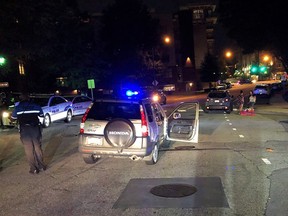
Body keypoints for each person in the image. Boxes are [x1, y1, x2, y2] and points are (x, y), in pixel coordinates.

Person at [11, 92, 46, 174]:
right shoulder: (36, 105)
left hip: (24, 130)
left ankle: (33, 169)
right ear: (29, 97)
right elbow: (41, 115)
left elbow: (13, 118)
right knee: (37, 146)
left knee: (28, 149)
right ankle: (41, 166)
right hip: (35, 128)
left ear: (21, 98)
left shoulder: (18, 107)